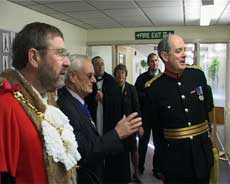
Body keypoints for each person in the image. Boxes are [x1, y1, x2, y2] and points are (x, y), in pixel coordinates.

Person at [0, 22, 81, 184]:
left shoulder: (49, 100)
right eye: (60, 53)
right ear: (34, 57)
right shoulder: (5, 105)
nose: (67, 62)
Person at [57, 55, 142, 184]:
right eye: (89, 75)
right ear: (73, 77)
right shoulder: (65, 106)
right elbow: (83, 152)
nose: (93, 80)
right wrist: (117, 133)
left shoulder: (77, 101)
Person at [144, 34, 214, 183]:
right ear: (164, 56)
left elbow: (207, 109)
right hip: (175, 162)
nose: (184, 55)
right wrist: (162, 165)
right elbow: (157, 132)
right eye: (178, 51)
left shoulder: (198, 76)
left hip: (202, 156)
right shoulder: (154, 88)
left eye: (184, 50)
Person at [113, 64, 144, 183]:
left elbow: (137, 107)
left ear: (126, 75)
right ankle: (121, 173)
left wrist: (140, 124)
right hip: (116, 126)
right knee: (118, 150)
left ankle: (136, 172)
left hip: (130, 124)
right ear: (115, 74)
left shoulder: (131, 89)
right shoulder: (111, 88)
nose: (120, 75)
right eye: (118, 72)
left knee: (133, 149)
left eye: (122, 72)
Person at [134, 53, 162, 177]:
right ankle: (139, 167)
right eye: (152, 61)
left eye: (156, 60)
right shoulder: (141, 78)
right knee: (143, 144)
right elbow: (136, 97)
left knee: (158, 144)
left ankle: (157, 169)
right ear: (148, 63)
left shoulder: (163, 78)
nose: (154, 63)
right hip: (145, 117)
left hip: (159, 118)